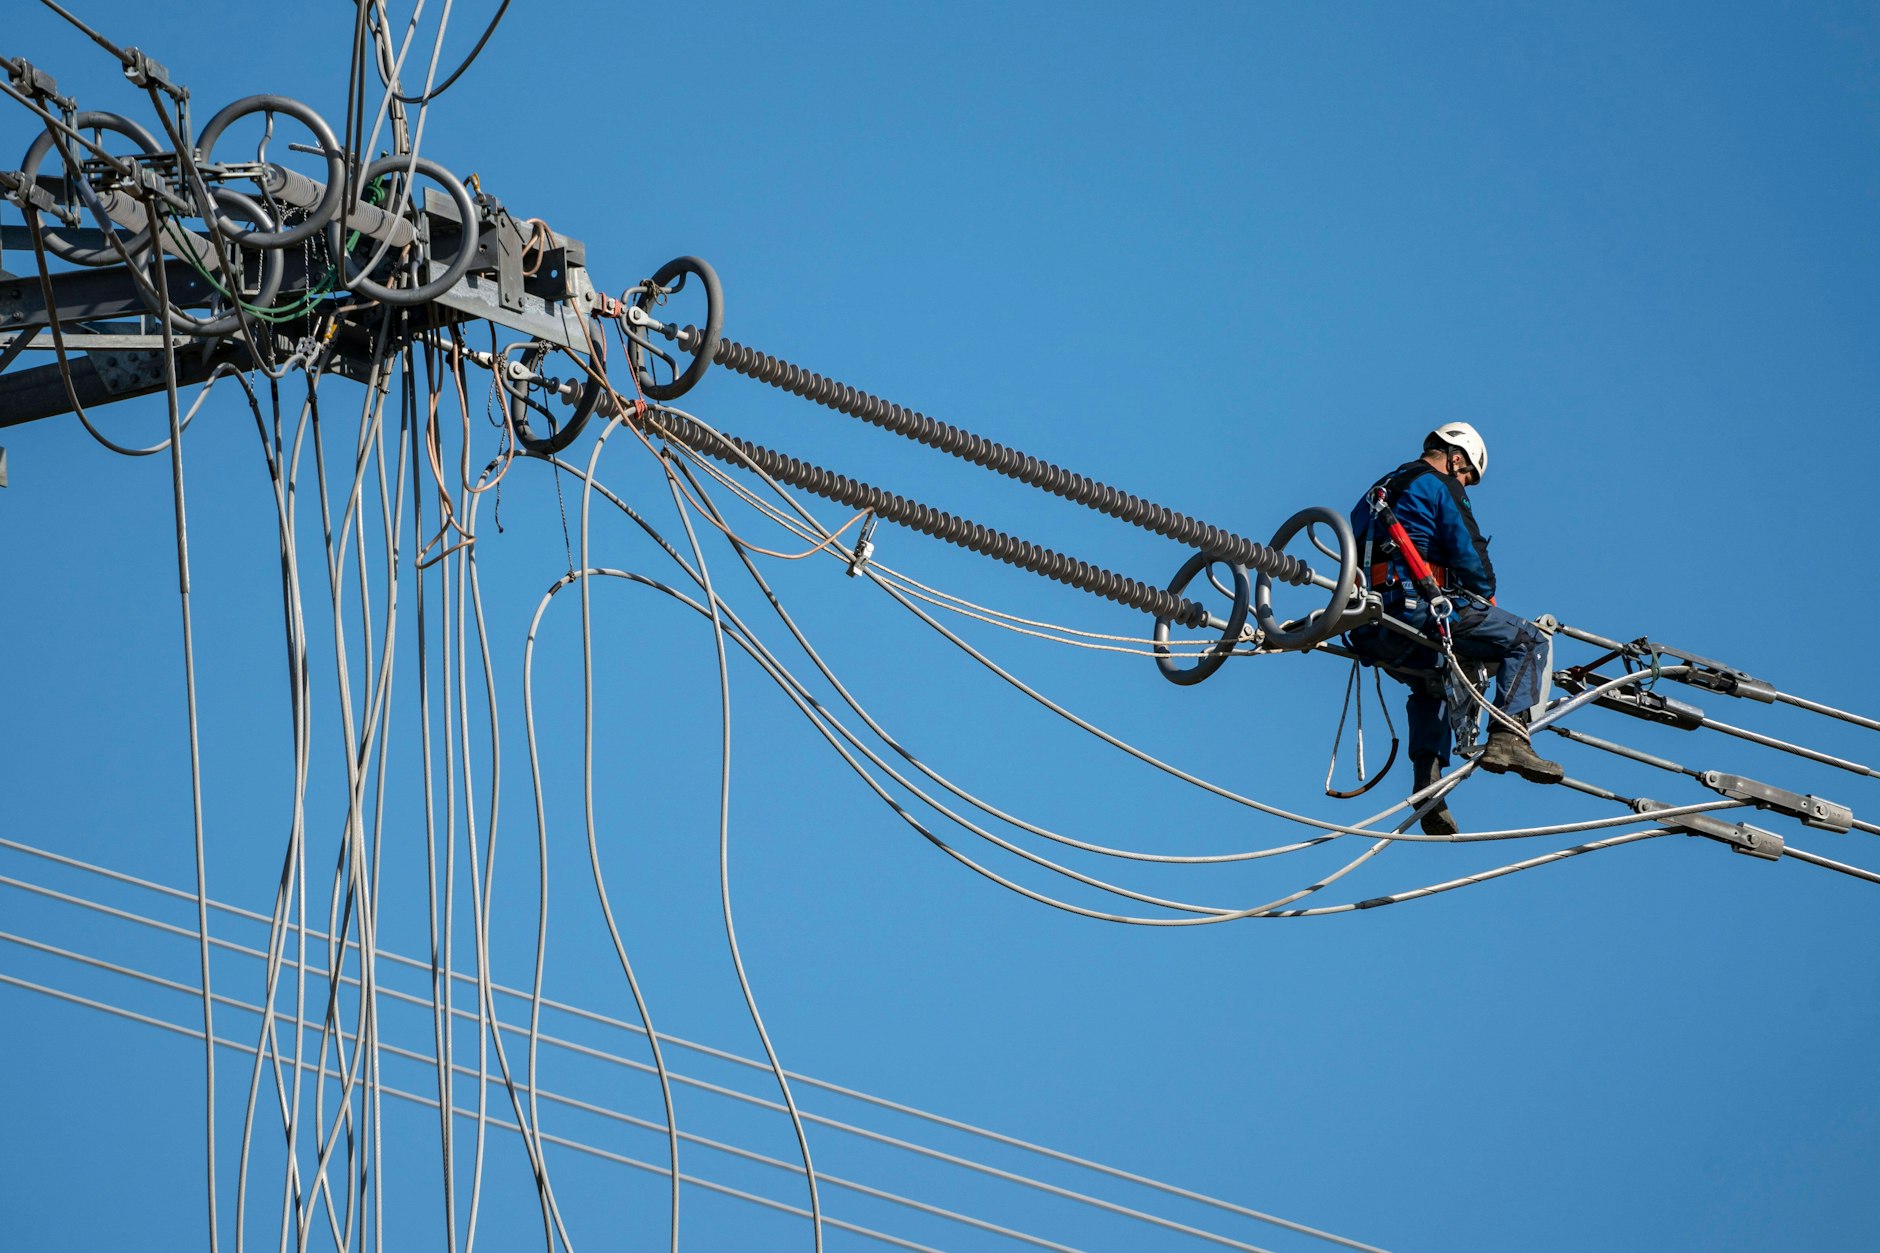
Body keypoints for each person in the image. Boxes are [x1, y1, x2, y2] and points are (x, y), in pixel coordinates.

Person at [1346, 422, 1561, 835]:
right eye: (1466, 476)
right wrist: (1484, 596)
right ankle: (1509, 739)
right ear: (1455, 456)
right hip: (1421, 610)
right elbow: (1470, 555)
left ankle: (1428, 788)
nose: (1465, 483)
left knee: (1433, 683)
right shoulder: (1438, 484)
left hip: (1373, 625)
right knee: (1528, 639)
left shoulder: (1378, 492)